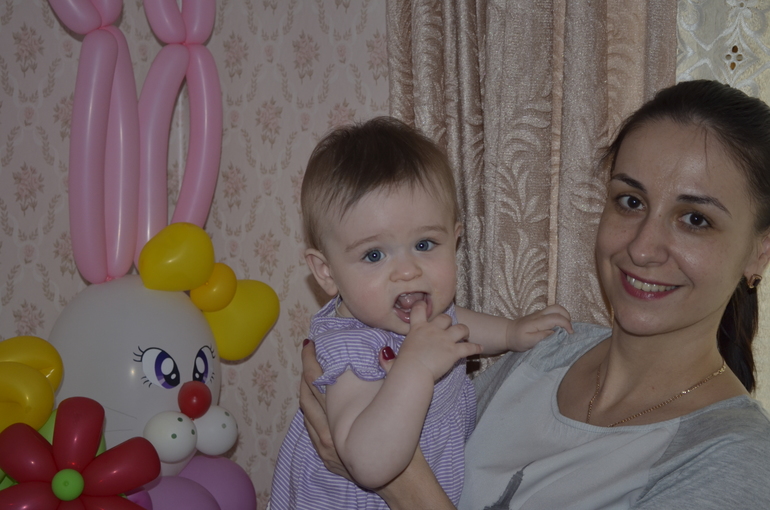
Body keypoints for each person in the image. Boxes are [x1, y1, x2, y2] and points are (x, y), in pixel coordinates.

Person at [298, 80, 770, 509]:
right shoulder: (545, 352)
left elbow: (394, 461)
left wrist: (400, 483)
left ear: (759, 253)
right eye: (630, 201)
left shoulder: (734, 459)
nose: (643, 248)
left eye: (695, 219)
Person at [269, 117, 573, 509]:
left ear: (455, 239)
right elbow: (367, 464)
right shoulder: (350, 350)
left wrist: (511, 332)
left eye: (425, 244)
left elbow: (458, 321)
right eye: (374, 255)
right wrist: (413, 368)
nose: (408, 271)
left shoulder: (427, 316)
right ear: (326, 272)